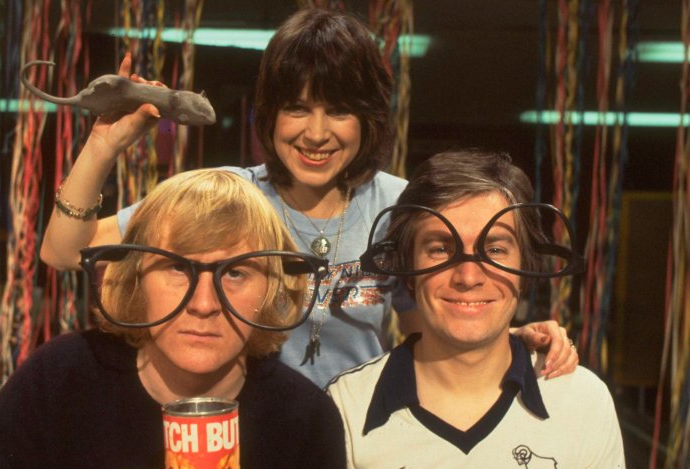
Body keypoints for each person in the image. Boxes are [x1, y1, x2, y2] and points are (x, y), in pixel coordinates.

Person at [38, 8, 578, 388]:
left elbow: (429, 333)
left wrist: (509, 338)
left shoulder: (401, 206)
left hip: (357, 436)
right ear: (268, 115)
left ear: (368, 121)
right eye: (297, 107)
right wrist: (102, 145)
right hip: (247, 425)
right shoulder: (229, 198)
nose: (316, 133)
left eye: (338, 110)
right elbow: (64, 253)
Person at [0, 170, 346, 469]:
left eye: (235, 273)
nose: (203, 304)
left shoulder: (305, 421)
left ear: (272, 287)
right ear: (136, 278)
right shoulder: (61, 379)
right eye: (176, 268)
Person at [326, 150, 628, 469]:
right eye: (440, 248)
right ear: (407, 269)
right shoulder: (346, 407)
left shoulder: (583, 402)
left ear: (526, 269)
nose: (468, 276)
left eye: (496, 250)